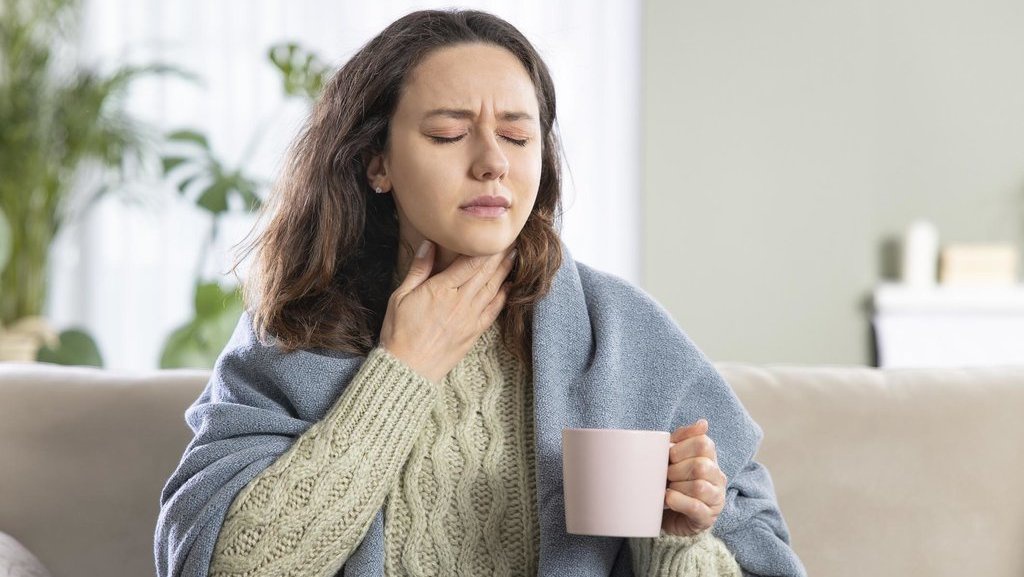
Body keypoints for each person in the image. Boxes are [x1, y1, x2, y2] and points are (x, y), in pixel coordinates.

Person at [155, 9, 806, 577]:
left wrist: (675, 541)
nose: (493, 159)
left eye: (519, 136)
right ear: (375, 161)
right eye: (448, 132)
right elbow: (221, 564)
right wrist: (402, 371)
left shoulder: (626, 334)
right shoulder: (297, 329)